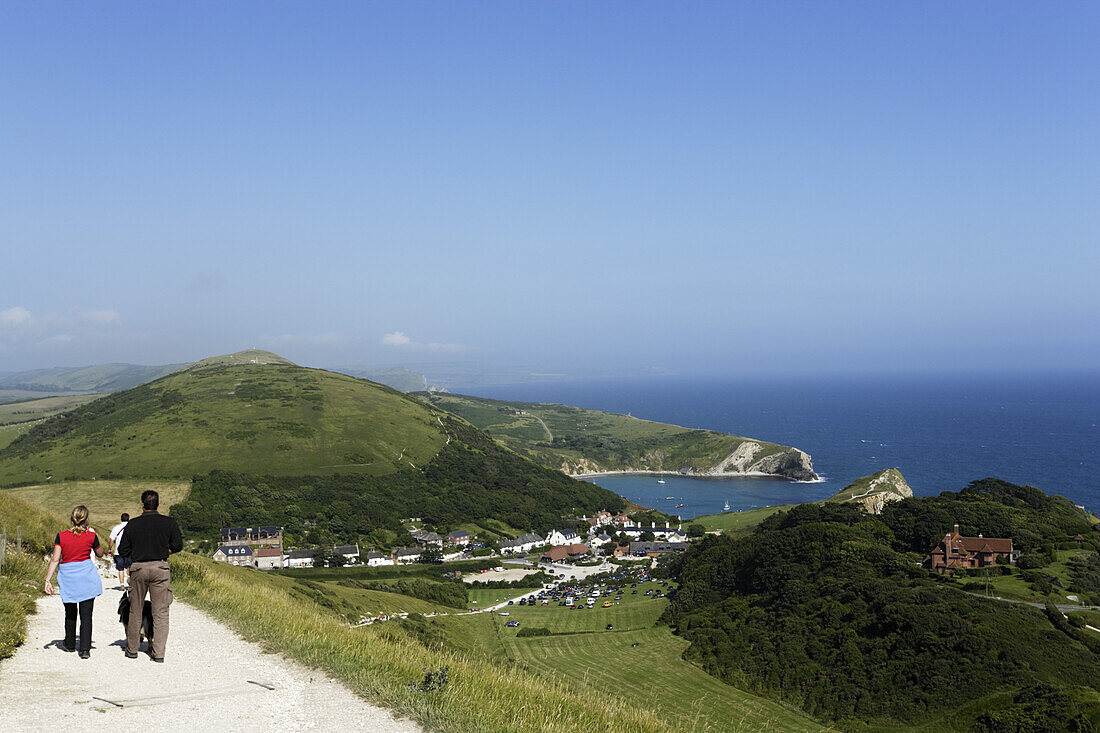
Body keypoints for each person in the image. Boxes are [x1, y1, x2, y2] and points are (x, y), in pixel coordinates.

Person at [117, 489, 182, 662]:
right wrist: (164, 550)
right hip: (160, 567)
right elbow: (177, 545)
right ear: (158, 504)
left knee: (135, 609)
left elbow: (123, 550)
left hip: (138, 568)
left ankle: (132, 649)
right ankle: (158, 653)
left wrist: (136, 556)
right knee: (160, 612)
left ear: (142, 504)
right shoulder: (169, 522)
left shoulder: (133, 524)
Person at [43, 505, 105, 659]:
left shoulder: (61, 536)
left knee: (70, 612)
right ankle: (85, 649)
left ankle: (70, 644)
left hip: (68, 577)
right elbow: (100, 554)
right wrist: (94, 538)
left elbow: (55, 559)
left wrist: (47, 579)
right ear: (87, 519)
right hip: (86, 577)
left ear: (72, 519)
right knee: (86, 614)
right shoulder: (91, 536)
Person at [109, 513, 130, 590]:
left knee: (120, 569)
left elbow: (111, 540)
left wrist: (109, 549)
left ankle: (122, 585)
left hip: (118, 551)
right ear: (128, 519)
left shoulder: (116, 528)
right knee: (128, 567)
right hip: (128, 551)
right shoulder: (131, 527)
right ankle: (130, 582)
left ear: (121, 519)